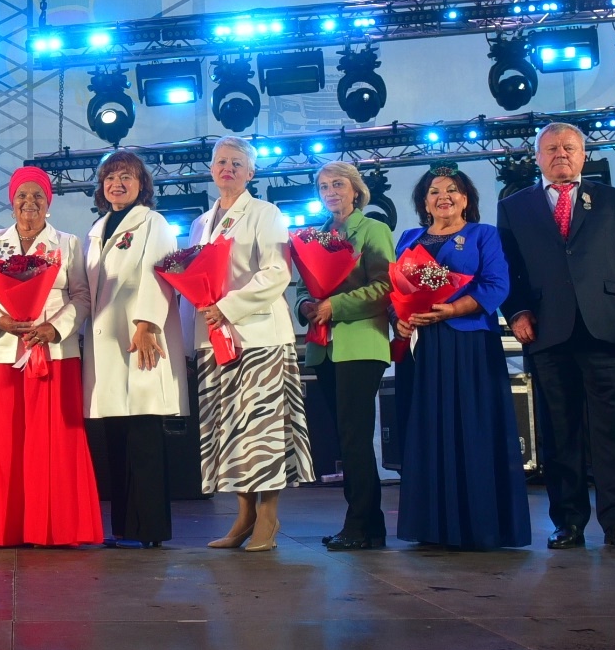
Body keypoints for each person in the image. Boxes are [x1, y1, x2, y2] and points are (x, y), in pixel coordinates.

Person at [496, 123, 615, 552]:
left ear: (584, 155)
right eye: (551, 148)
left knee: (613, 432)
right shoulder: (514, 206)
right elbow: (508, 270)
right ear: (537, 157)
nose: (560, 154)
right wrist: (517, 312)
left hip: (606, 328)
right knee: (558, 431)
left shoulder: (613, 200)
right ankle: (567, 521)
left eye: (569, 147)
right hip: (547, 330)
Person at [0, 165, 100, 547]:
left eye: (38, 195)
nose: (29, 202)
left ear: (48, 202)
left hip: (54, 354)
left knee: (52, 443)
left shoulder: (67, 243)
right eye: (22, 196)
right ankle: (0, 528)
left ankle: (53, 529)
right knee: (0, 442)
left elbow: (82, 295)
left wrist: (55, 328)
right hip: (2, 353)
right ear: (11, 202)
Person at [393, 165, 529, 551]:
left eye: (452, 190)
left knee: (474, 428)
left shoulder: (484, 235)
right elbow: (396, 288)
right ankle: (433, 527)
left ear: (466, 199)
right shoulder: (408, 239)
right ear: (424, 203)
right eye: (434, 191)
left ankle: (479, 526)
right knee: (428, 431)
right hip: (423, 348)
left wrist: (452, 310)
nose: (444, 197)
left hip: (470, 346)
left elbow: (497, 285)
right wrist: (397, 319)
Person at [189, 136, 312, 553]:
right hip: (214, 340)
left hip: (258, 336)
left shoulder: (265, 213)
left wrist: (227, 307)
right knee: (229, 429)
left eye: (237, 163)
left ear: (251, 172)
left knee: (262, 429)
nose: (228, 169)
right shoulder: (200, 224)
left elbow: (277, 272)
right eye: (221, 162)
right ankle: (243, 516)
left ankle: (268, 516)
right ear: (211, 169)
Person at [83, 150, 189, 548]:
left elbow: (159, 274)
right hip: (105, 342)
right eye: (110, 178)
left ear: (142, 184)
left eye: (126, 177)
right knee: (116, 436)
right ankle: (123, 527)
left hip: (141, 337)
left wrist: (146, 323)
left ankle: (151, 529)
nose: (117, 184)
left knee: (144, 434)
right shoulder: (97, 229)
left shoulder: (153, 223)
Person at [296, 161, 394, 552]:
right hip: (324, 347)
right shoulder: (316, 235)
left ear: (356, 190)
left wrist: (334, 306)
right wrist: (306, 306)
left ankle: (358, 525)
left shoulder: (373, 229)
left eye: (338, 184)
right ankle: (371, 527)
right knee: (345, 440)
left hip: (361, 344)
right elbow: (302, 288)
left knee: (354, 438)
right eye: (323, 186)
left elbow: (385, 286)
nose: (331, 192)